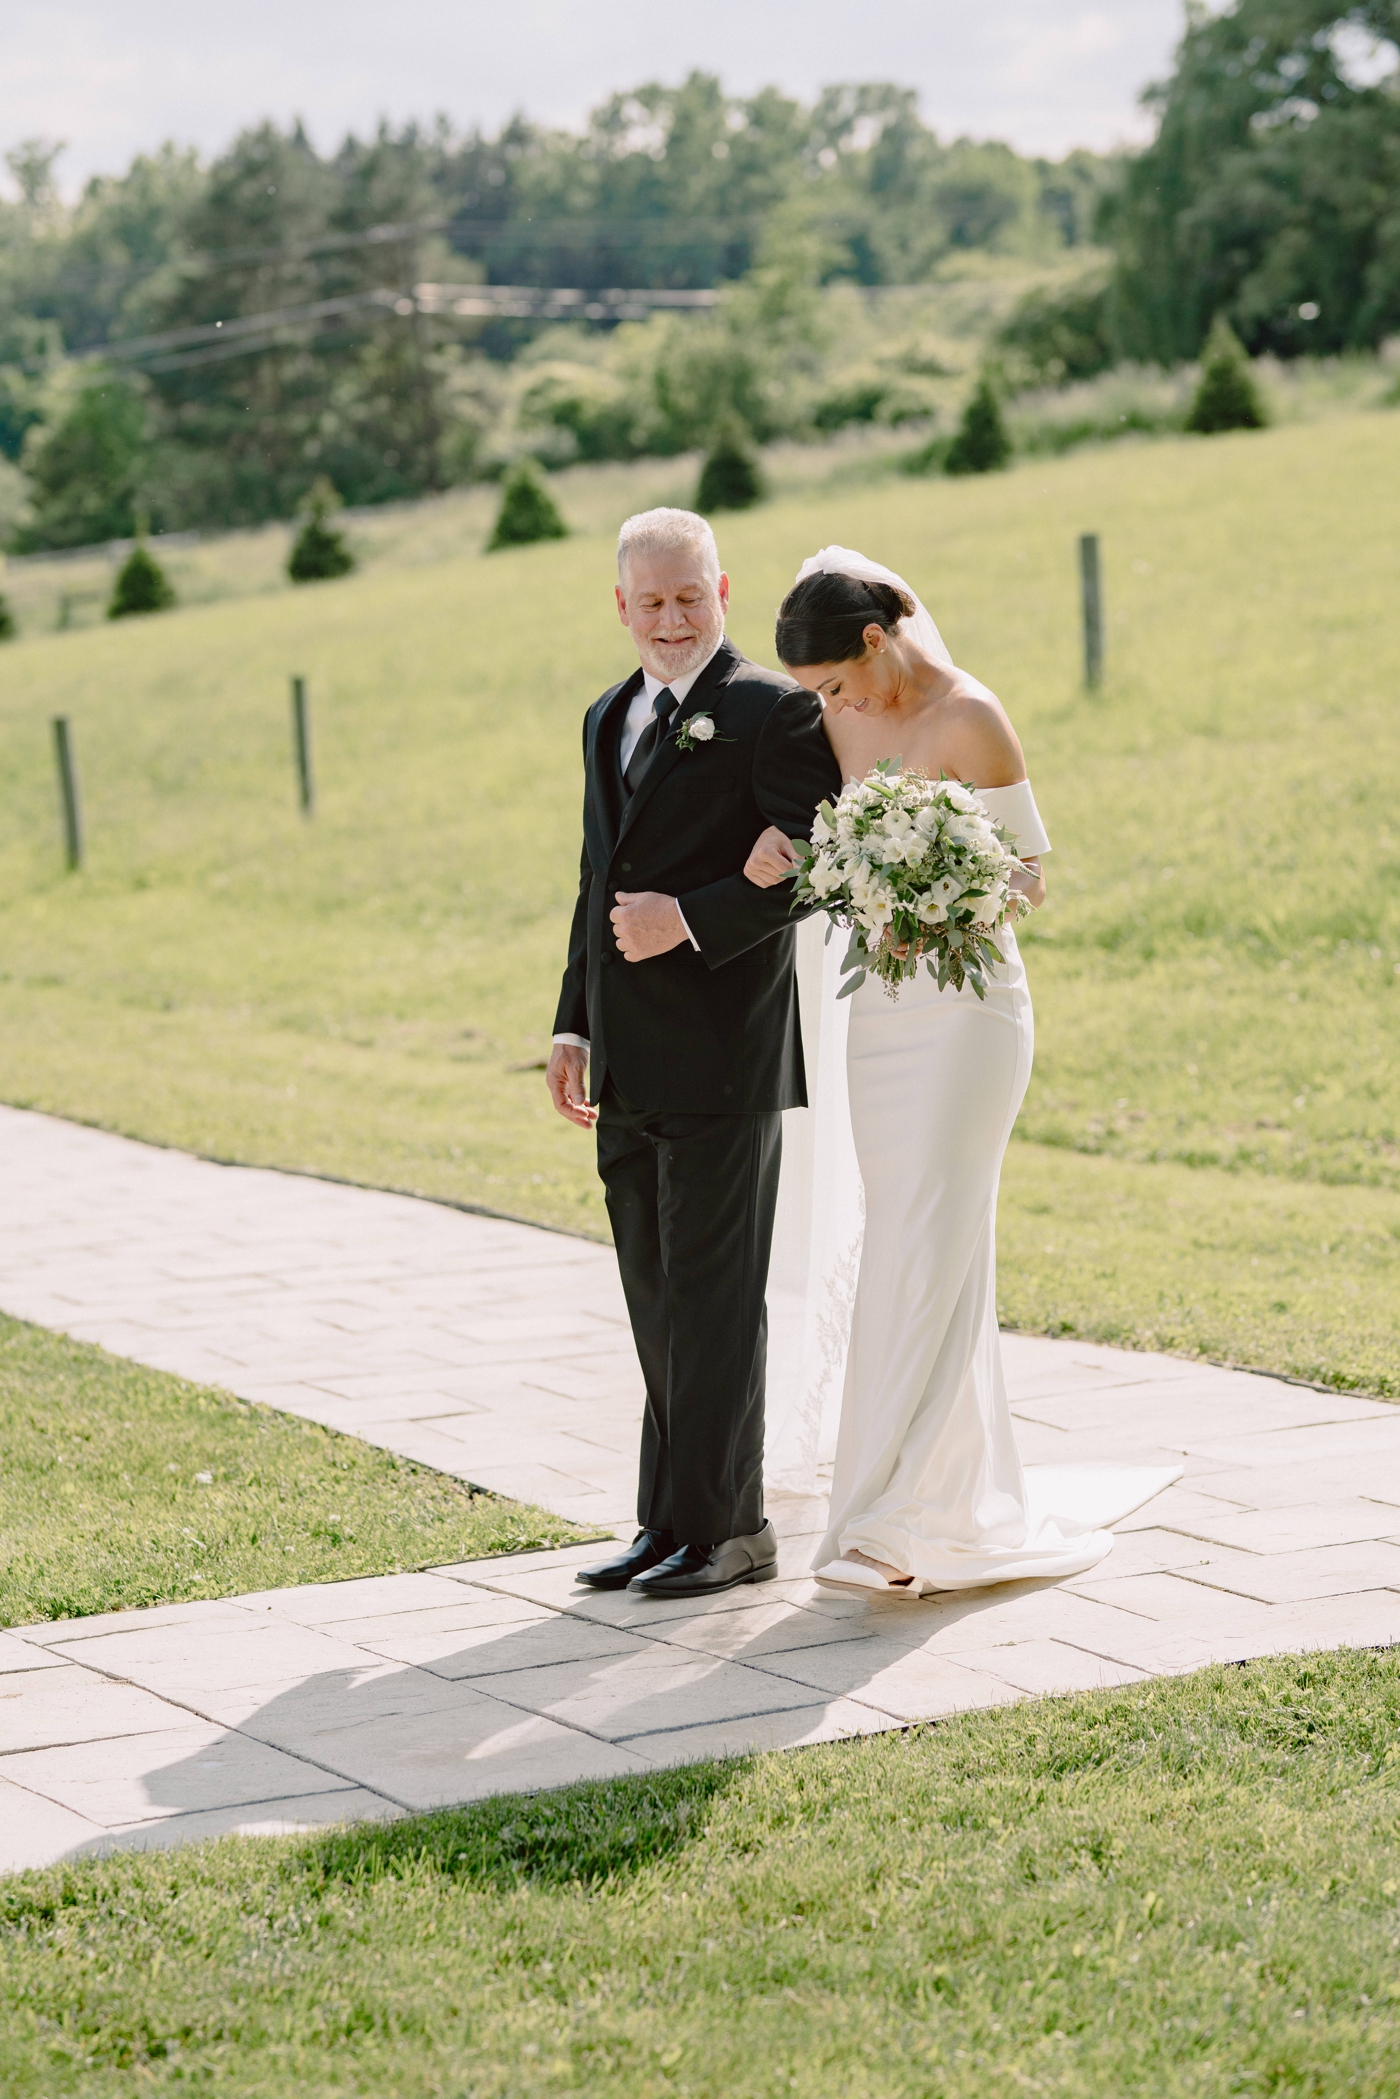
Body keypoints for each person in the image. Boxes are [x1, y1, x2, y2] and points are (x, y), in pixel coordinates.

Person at [745, 549, 1178, 1594]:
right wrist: (796, 863)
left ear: (875, 639)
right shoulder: (838, 721)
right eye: (816, 696)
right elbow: (836, 853)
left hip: (970, 1011)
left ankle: (905, 1516)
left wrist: (928, 902)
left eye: (835, 683)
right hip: (879, 1017)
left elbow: (1027, 875)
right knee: (903, 1235)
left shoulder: (970, 716)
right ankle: (926, 1493)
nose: (829, 705)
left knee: (927, 1241)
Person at [546, 509, 842, 1598]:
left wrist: (694, 916)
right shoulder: (606, 716)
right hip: (625, 1059)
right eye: (651, 601)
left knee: (717, 1299)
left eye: (689, 597)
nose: (671, 619)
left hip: (726, 1055)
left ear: (722, 591)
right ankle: (665, 1521)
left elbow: (820, 862)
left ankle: (733, 1528)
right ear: (620, 605)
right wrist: (573, 1021)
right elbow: (593, 877)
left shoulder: (771, 710)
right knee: (655, 1295)